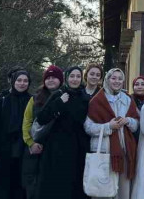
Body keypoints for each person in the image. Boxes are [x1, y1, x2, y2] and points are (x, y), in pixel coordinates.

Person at [85, 68, 141, 199]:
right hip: (105, 151)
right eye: (113, 78)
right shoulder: (97, 101)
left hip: (124, 151)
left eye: (120, 78)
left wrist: (128, 121)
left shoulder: (128, 99)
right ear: (107, 79)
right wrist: (108, 126)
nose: (117, 81)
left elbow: (137, 124)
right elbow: (88, 127)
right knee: (103, 190)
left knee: (123, 191)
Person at [36, 66, 89, 199]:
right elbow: (42, 118)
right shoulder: (58, 94)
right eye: (72, 76)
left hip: (78, 147)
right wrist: (59, 103)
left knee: (76, 184)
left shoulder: (85, 97)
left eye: (78, 76)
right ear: (66, 78)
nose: (75, 79)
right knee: (56, 185)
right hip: (56, 147)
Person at [0, 69, 31, 199]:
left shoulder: (32, 100)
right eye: (19, 80)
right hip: (1, 153)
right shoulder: (1, 100)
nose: (22, 83)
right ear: (13, 81)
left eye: (25, 81)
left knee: (19, 190)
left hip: (23, 153)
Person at [21, 65, 63, 198]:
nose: (51, 80)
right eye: (48, 78)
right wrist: (30, 143)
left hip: (56, 150)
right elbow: (27, 122)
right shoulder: (35, 99)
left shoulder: (65, 97)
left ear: (60, 80)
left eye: (54, 78)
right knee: (33, 188)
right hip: (35, 150)